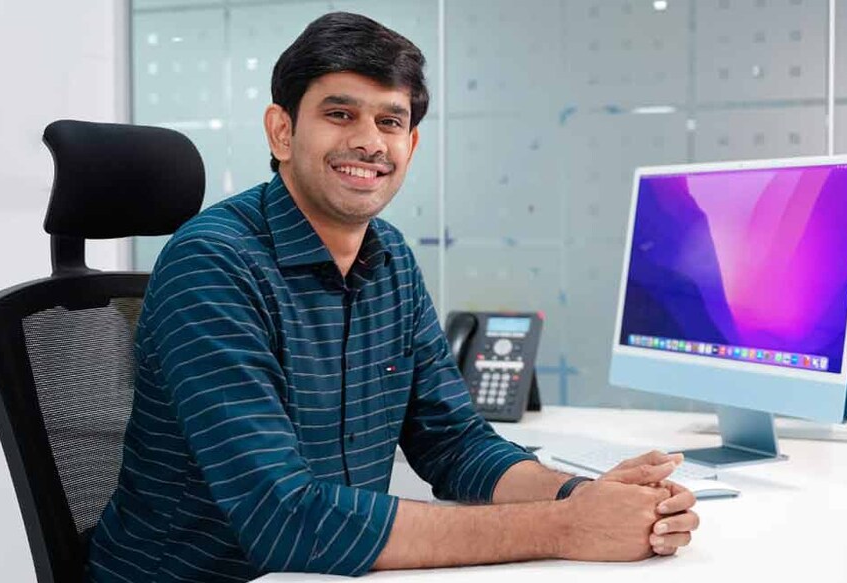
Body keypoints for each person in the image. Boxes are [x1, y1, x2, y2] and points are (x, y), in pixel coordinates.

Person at [88, 12, 699, 582]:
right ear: (282, 131)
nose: (371, 142)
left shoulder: (391, 259)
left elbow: (453, 443)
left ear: (412, 145)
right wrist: (566, 527)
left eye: (390, 121)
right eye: (340, 114)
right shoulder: (214, 263)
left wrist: (582, 497)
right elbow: (286, 520)